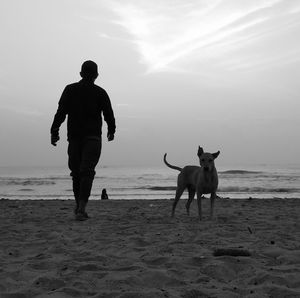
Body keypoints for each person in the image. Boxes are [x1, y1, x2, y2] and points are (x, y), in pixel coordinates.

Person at [51, 60, 116, 221]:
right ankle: (81, 207)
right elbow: (109, 114)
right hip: (92, 138)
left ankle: (79, 207)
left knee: (78, 173)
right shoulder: (100, 92)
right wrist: (111, 130)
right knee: (86, 172)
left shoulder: (70, 89)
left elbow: (61, 112)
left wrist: (54, 131)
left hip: (75, 137)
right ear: (96, 75)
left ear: (81, 74)